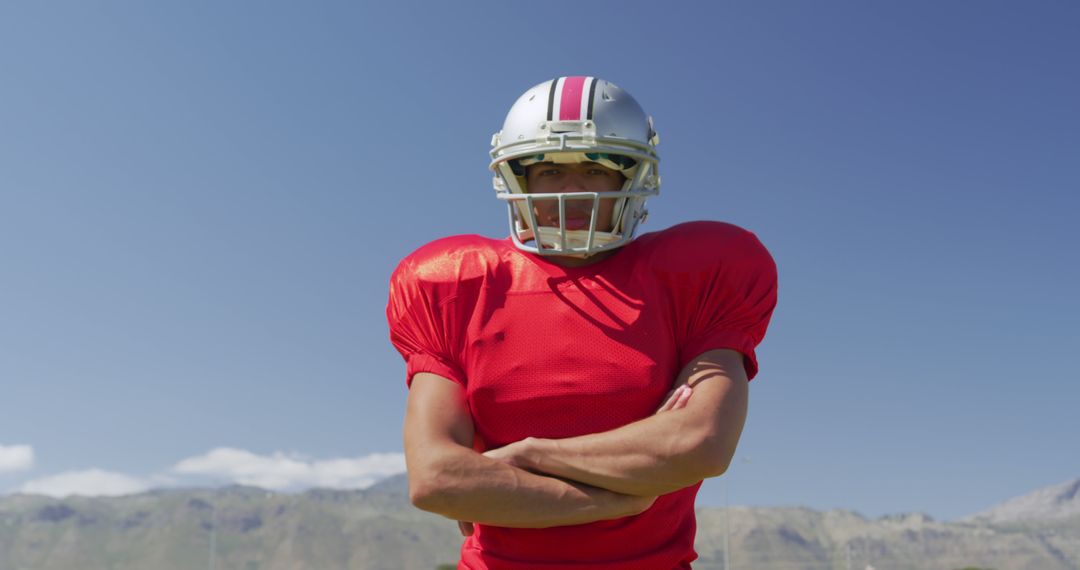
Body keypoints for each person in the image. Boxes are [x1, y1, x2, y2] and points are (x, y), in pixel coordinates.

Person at [387, 76, 778, 569]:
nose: (572, 191)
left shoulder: (701, 270)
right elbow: (437, 478)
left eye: (596, 168)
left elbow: (698, 443)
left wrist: (527, 455)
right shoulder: (453, 282)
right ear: (516, 178)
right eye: (548, 171)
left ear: (632, 177)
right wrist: (620, 496)